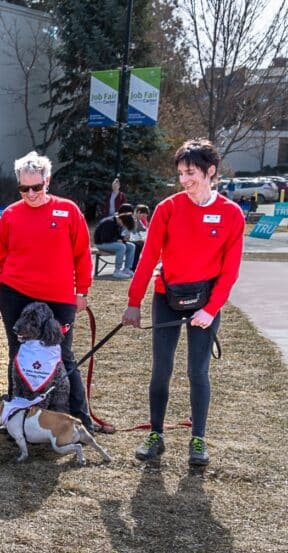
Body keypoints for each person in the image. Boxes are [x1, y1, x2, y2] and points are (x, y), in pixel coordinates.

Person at [122, 138, 244, 466]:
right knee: (161, 369)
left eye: (190, 172)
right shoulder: (168, 209)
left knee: (198, 372)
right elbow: (147, 259)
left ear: (211, 171)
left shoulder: (231, 214)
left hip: (204, 302)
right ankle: (156, 434)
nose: (185, 179)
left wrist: (211, 308)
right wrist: (134, 302)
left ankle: (198, 440)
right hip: (167, 297)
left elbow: (230, 271)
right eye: (180, 173)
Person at [0, 151, 95, 431]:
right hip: (16, 294)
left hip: (59, 298)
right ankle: (15, 418)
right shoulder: (10, 215)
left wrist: (81, 290)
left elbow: (83, 253)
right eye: (25, 188)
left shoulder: (68, 210)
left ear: (48, 181)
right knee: (17, 354)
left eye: (37, 186)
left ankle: (79, 418)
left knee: (63, 355)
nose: (31, 193)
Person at [93, 211, 137, 279]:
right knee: (121, 247)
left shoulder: (117, 223)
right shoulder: (108, 222)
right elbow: (104, 238)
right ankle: (117, 271)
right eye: (124, 224)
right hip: (101, 244)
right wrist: (117, 240)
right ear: (121, 220)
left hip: (110, 242)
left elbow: (117, 237)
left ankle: (127, 269)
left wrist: (123, 239)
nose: (123, 226)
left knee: (131, 246)